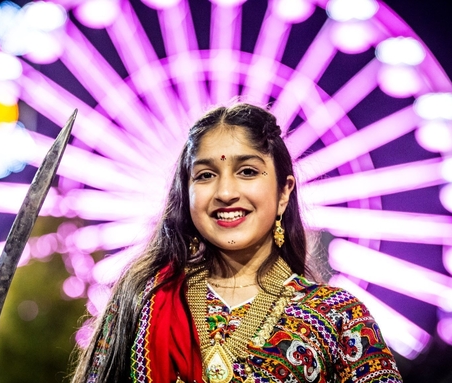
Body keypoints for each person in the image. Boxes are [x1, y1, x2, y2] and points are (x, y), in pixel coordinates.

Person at [71, 103, 403, 383]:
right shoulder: (141, 300)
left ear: (284, 192)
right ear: (184, 195)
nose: (226, 193)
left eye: (247, 171)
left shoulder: (339, 318)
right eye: (205, 175)